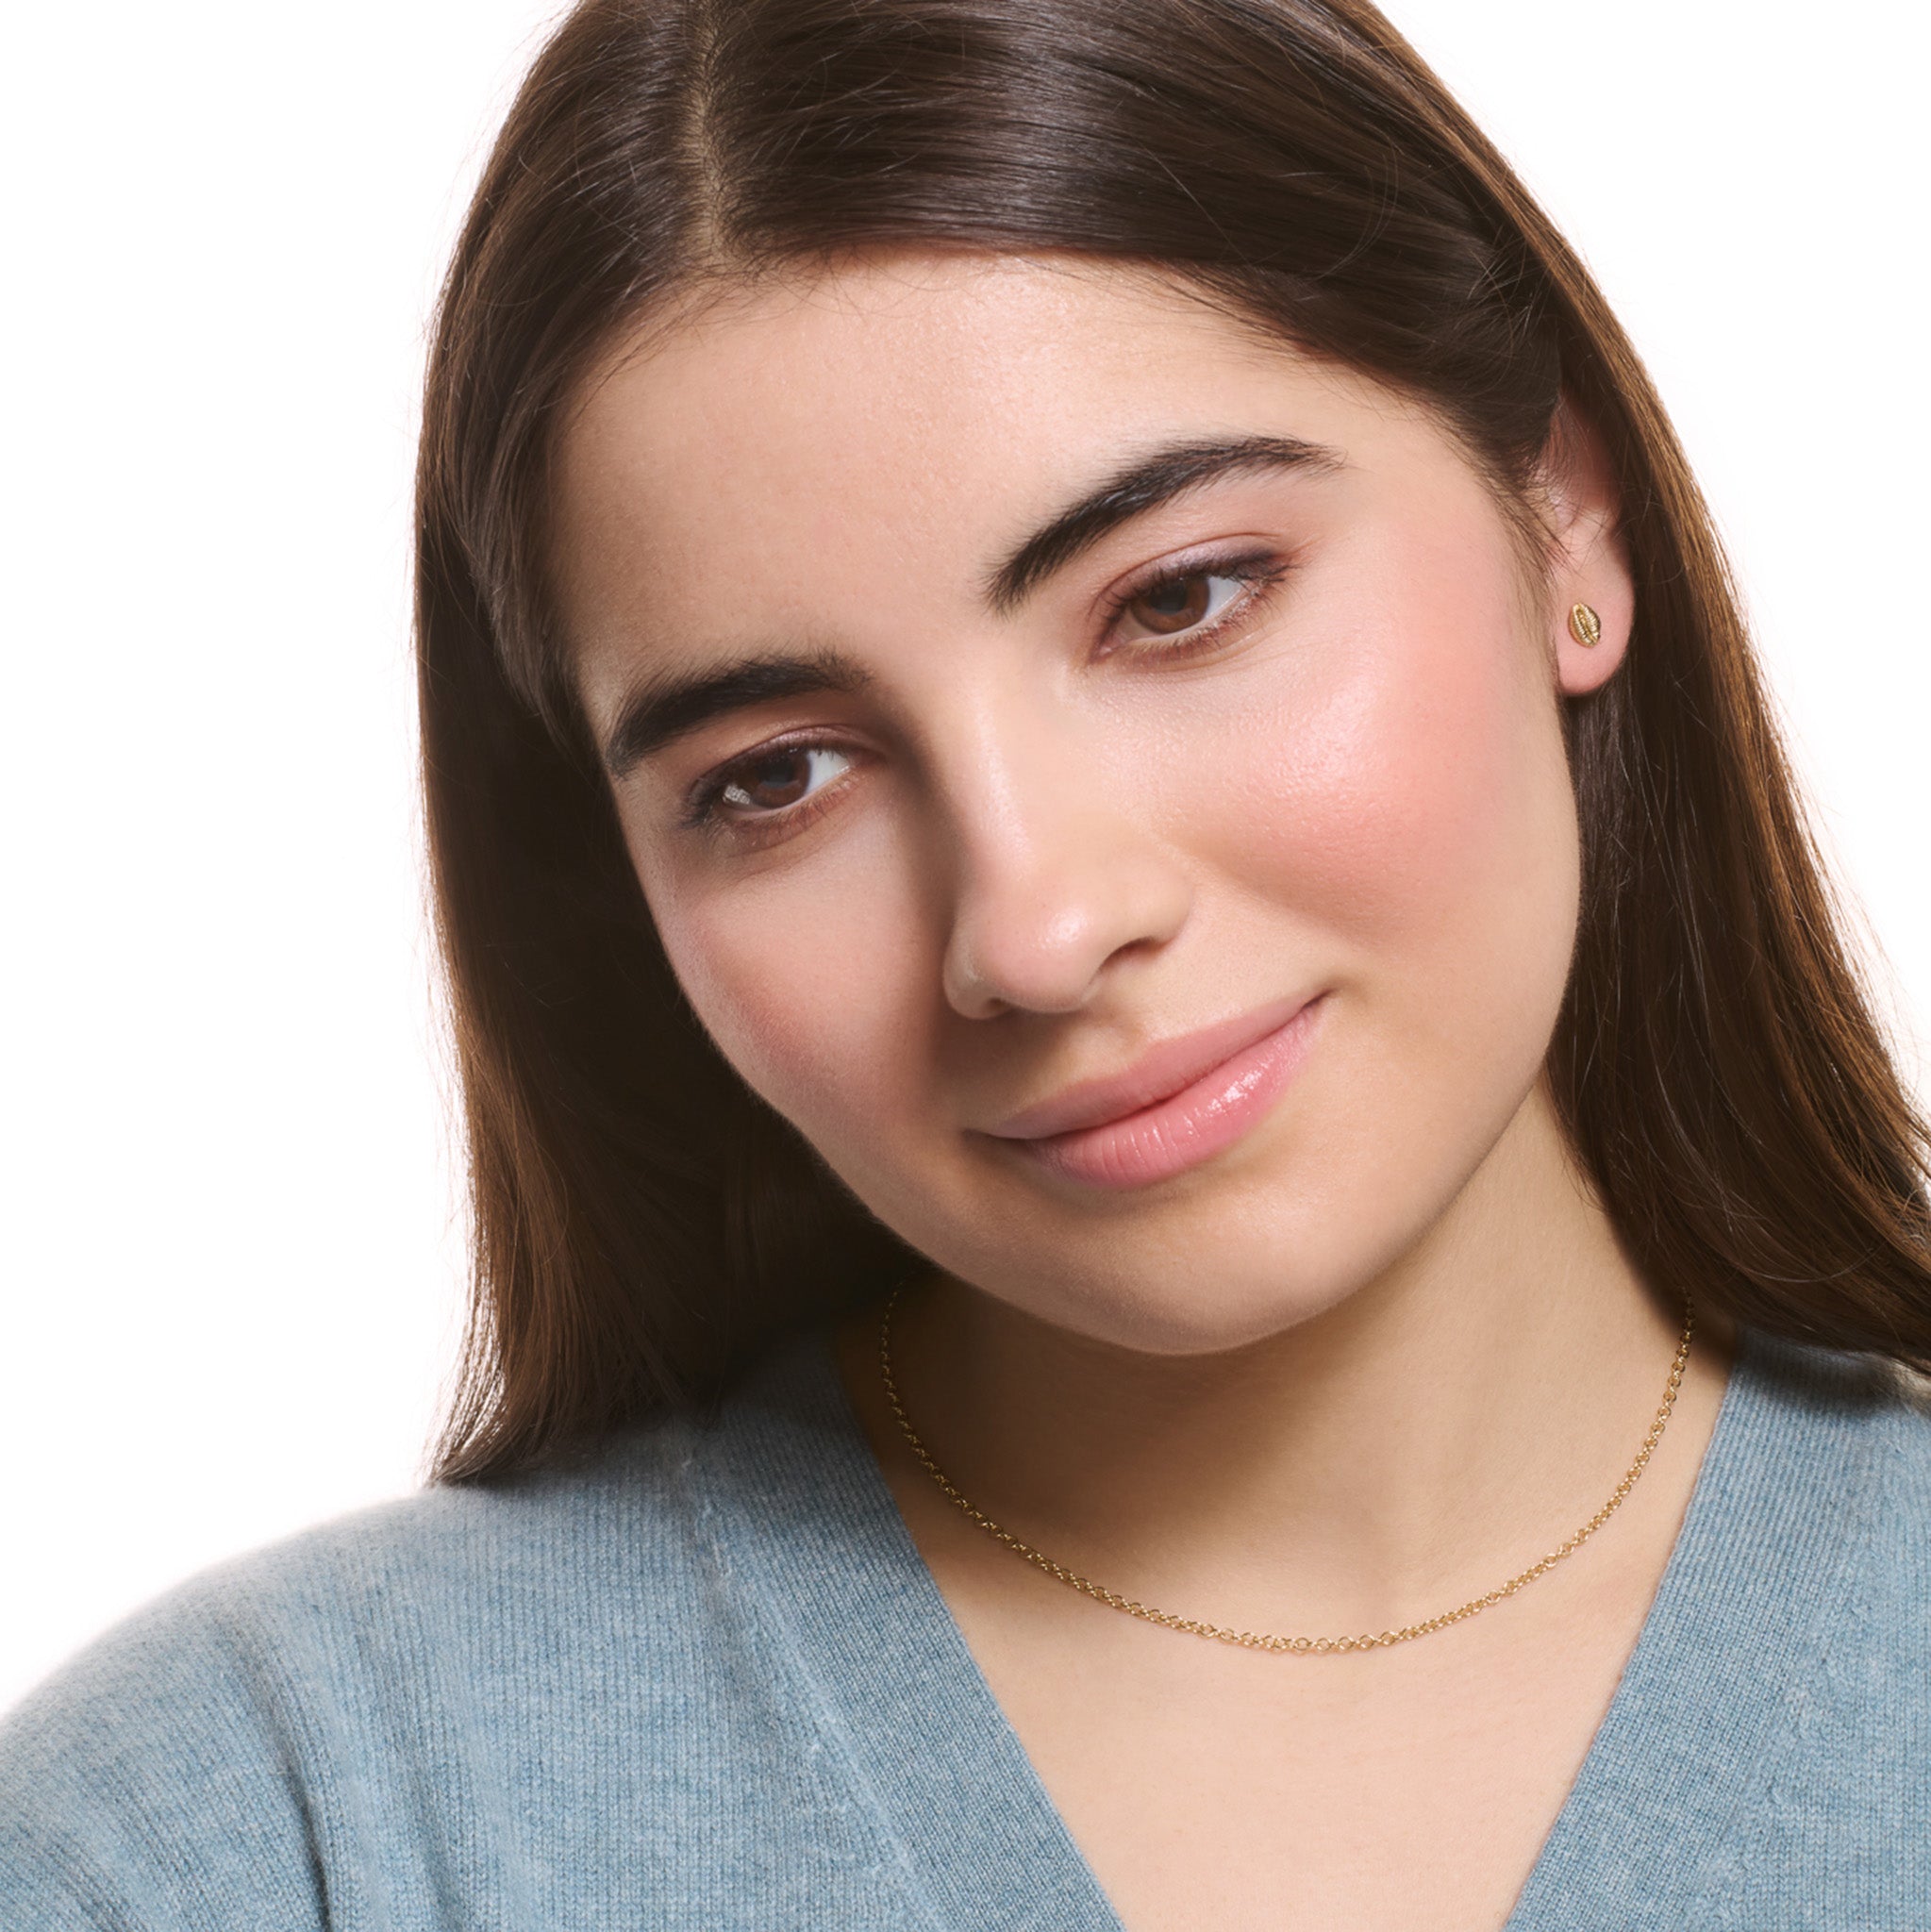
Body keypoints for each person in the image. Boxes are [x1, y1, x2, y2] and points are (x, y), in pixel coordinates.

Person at [4, 0, 1927, 1924]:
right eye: (779, 776)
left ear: (1563, 508)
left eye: (1177, 600)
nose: (1033, 926)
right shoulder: (267, 1833)